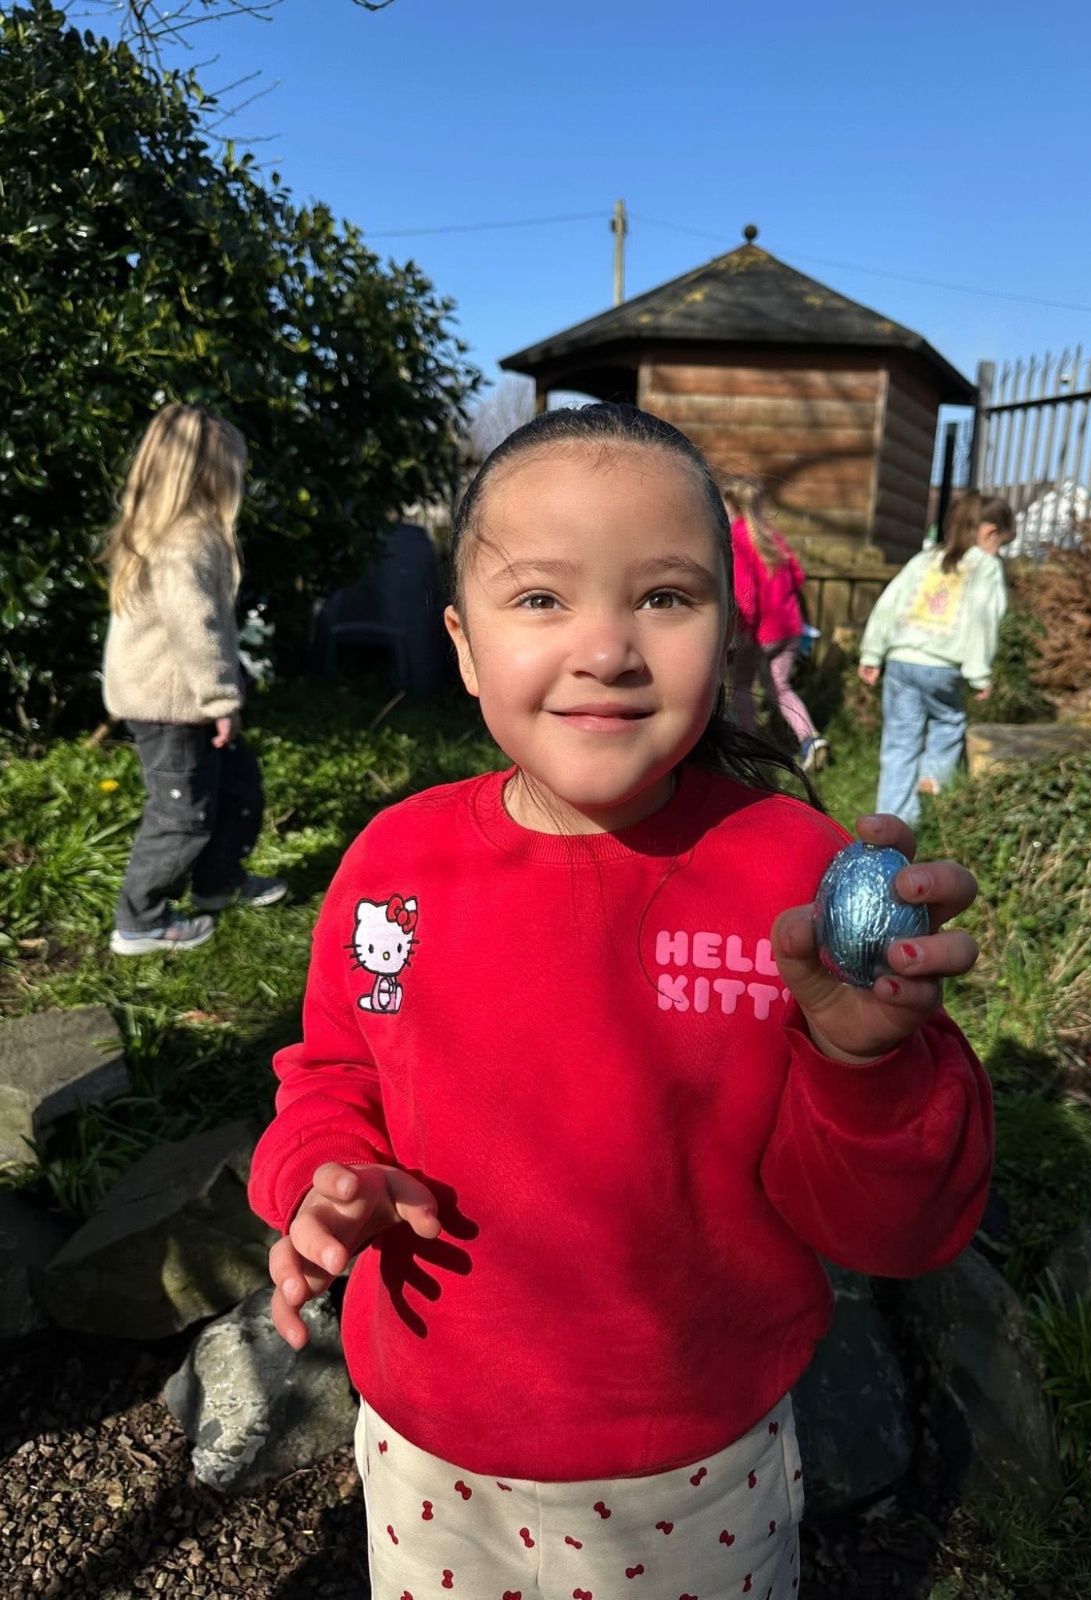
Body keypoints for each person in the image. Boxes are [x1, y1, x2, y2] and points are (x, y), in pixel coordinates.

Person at [249, 404, 993, 1600]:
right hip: (430, 1448)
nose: (607, 648)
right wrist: (322, 1176)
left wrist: (867, 1067)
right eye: (542, 597)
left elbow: (899, 1232)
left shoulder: (793, 881)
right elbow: (334, 1072)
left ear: (729, 631)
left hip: (695, 1469)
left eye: (664, 596)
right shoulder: (396, 865)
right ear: (463, 643)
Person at [101, 403, 286, 956]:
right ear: (208, 472)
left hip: (185, 698)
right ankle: (140, 920)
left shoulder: (171, 533)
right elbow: (193, 626)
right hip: (172, 703)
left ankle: (217, 882)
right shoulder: (185, 540)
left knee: (234, 786)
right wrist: (221, 699)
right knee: (180, 813)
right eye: (232, 468)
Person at [857, 492, 1016, 827]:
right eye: (1000, 543)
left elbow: (888, 604)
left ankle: (889, 821)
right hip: (942, 667)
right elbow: (983, 620)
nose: (998, 551)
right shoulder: (986, 567)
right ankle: (931, 778)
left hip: (901, 662)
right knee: (949, 723)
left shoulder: (924, 559)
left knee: (899, 741)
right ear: (989, 532)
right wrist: (979, 673)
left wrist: (872, 653)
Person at [724, 474, 829, 771]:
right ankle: (810, 739)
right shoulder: (773, 537)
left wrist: (740, 632)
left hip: (758, 632)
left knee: (741, 686)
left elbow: (745, 595)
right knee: (781, 688)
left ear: (732, 506)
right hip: (789, 628)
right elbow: (797, 577)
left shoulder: (736, 540)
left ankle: (750, 749)